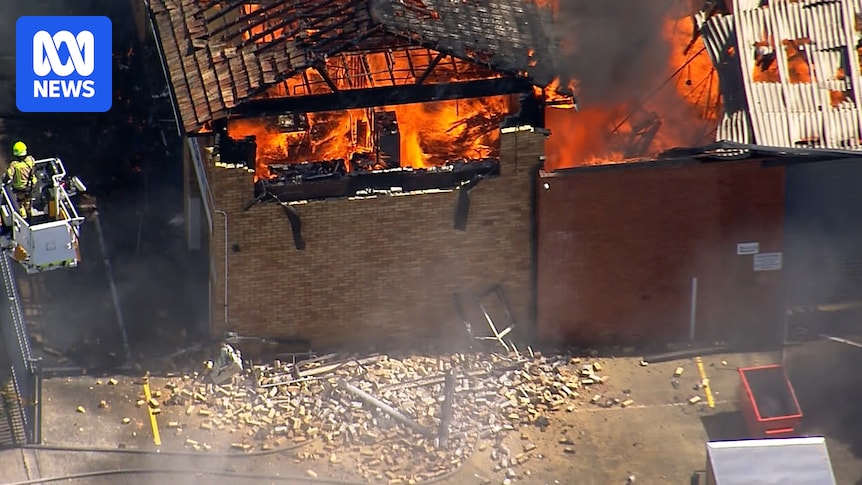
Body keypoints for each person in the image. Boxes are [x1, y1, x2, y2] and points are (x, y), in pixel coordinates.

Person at [4, 141, 38, 217]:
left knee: (20, 203)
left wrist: (4, 181)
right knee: (28, 200)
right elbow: (35, 167)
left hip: (20, 188)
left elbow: (9, 175)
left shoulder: (14, 165)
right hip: (31, 186)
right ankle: (30, 212)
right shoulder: (30, 159)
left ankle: (24, 217)